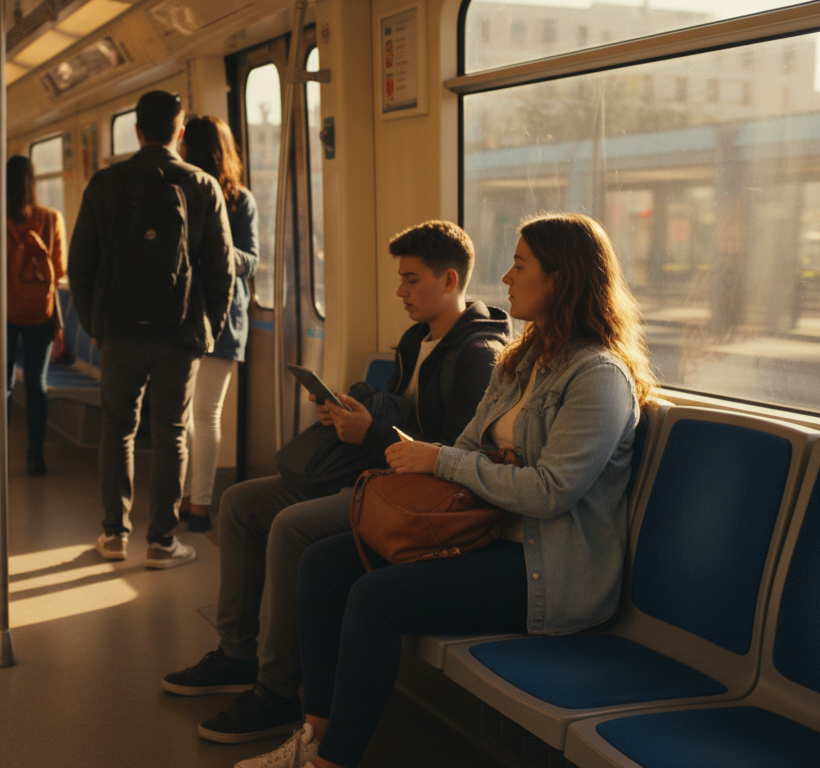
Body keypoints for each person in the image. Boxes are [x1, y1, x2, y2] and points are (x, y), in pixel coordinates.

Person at [242, 213, 655, 768]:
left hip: (545, 569)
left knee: (374, 597)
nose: (506, 279)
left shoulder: (598, 377)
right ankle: (314, 733)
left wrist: (452, 462)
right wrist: (463, 462)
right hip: (485, 534)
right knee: (323, 563)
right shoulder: (520, 362)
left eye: (519, 264)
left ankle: (330, 762)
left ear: (561, 278)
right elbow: (466, 446)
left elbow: (551, 492)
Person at [163, 220, 512, 745]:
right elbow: (400, 413)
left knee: (290, 527)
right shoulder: (416, 340)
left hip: (416, 500)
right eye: (400, 279)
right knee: (238, 503)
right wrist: (350, 415)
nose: (400, 292)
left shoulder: (479, 356)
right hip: (375, 474)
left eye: (411, 280)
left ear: (449, 280)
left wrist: (370, 433)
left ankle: (279, 690)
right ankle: (236, 653)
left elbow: (451, 458)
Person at [68, 90, 234, 570]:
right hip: (179, 334)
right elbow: (220, 268)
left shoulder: (105, 184)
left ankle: (113, 534)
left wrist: (95, 325)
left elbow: (81, 263)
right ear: (179, 133)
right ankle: (162, 542)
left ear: (137, 131)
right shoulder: (202, 185)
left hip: (118, 331)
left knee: (117, 429)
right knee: (171, 433)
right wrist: (207, 330)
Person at [178, 115, 258, 532]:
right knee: (192, 416)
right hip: (196, 316)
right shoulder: (216, 196)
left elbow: (250, 261)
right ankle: (188, 499)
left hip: (215, 317)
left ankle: (198, 504)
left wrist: (217, 248)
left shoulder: (237, 200)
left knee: (200, 415)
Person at [0, 157, 67, 476]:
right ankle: (35, 455)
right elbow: (61, 269)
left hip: (3, 313)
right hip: (41, 313)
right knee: (37, 383)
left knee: (3, 383)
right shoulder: (52, 219)